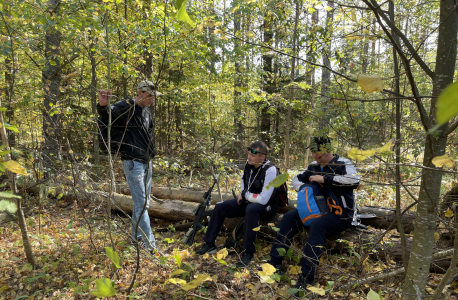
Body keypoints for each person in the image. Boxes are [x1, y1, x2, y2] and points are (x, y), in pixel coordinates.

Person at [267, 135, 360, 296]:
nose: (315, 156)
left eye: (318, 153)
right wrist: (307, 186)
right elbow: (296, 180)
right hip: (314, 210)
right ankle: (274, 263)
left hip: (340, 214)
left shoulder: (343, 163)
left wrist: (325, 179)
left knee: (318, 226)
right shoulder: (312, 166)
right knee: (289, 218)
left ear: (327, 150)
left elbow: (354, 180)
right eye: (313, 153)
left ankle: (307, 275)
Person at [97, 80, 162, 252]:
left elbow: (147, 133)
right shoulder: (125, 106)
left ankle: (136, 238)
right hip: (133, 163)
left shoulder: (147, 112)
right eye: (149, 96)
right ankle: (151, 247)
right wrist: (103, 104)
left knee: (144, 204)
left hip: (147, 162)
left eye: (154, 97)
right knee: (141, 204)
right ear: (140, 92)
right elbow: (107, 114)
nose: (152, 100)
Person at [196, 141, 281, 268]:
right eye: (248, 153)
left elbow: (264, 200)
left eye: (253, 154)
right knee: (220, 207)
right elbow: (243, 180)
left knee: (252, 209)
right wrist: (244, 192)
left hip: (267, 206)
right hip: (250, 200)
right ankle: (209, 244)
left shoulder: (271, 170)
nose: (249, 157)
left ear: (262, 157)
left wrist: (245, 195)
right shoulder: (249, 164)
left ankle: (248, 252)